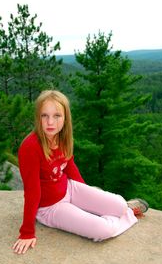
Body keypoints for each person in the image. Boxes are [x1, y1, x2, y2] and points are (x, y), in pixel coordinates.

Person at [12, 90, 149, 255]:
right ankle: (121, 217)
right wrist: (27, 232)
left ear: (65, 118)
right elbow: (32, 191)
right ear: (38, 117)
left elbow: (69, 166)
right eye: (44, 116)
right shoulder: (30, 147)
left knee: (119, 205)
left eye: (57, 116)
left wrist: (86, 195)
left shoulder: (62, 137)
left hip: (69, 189)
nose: (50, 122)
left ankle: (125, 210)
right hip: (50, 207)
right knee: (103, 230)